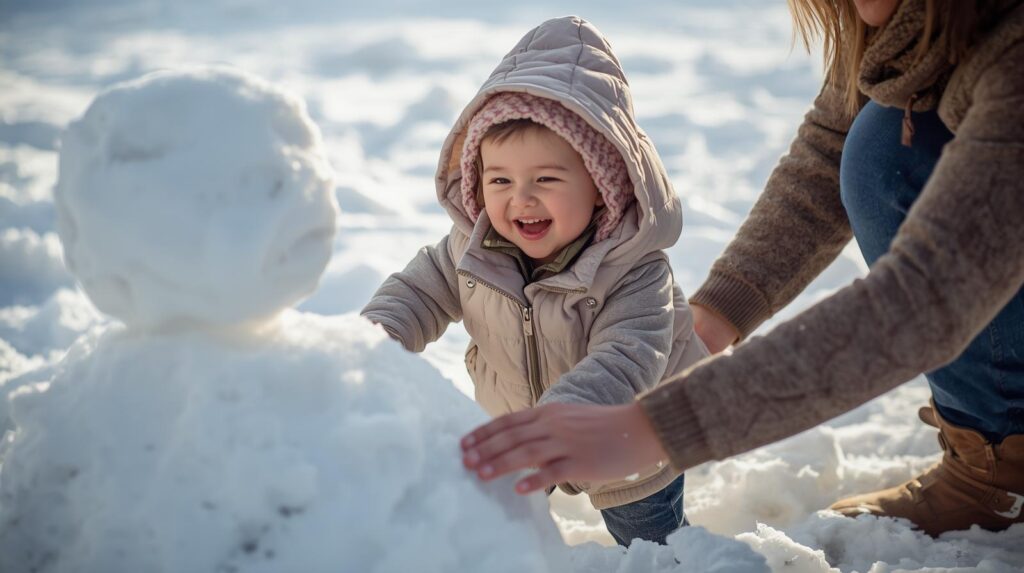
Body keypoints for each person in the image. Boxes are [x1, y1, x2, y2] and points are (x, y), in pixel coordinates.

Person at [461, 0, 1024, 538]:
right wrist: (716, 318)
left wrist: (659, 429)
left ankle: (1002, 460)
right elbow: (833, 147)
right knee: (880, 139)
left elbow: (925, 299)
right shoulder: (912, 27)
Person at [361, 16, 708, 545]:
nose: (519, 198)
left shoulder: (635, 270)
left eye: (545, 179)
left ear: (601, 187)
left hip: (624, 441)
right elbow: (418, 290)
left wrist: (557, 421)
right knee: (493, 534)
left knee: (650, 543)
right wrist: (376, 337)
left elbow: (628, 356)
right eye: (499, 180)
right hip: (515, 430)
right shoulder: (473, 248)